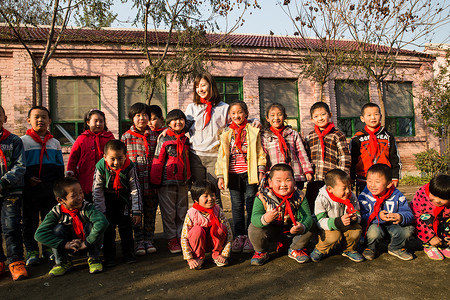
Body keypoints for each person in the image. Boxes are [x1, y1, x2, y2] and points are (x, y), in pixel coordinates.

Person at [216, 101, 266, 253]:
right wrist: (220, 176)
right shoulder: (226, 133)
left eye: (239, 112)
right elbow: (221, 155)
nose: (236, 115)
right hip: (233, 175)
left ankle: (251, 236)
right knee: (236, 206)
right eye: (233, 113)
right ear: (229, 116)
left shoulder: (252, 130)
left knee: (251, 203)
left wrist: (261, 170)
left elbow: (259, 152)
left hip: (249, 174)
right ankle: (239, 236)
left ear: (246, 114)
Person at [34, 177, 109, 276]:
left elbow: (102, 222)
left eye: (80, 192)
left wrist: (87, 242)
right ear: (61, 200)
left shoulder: (86, 207)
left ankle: (94, 258)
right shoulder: (56, 212)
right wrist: (65, 244)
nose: (79, 197)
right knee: (57, 229)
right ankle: (62, 262)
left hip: (88, 244)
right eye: (74, 195)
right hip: (69, 247)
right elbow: (39, 234)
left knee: (92, 225)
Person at [21, 106, 64, 266]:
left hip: (50, 189)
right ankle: (32, 251)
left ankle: (48, 248)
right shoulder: (23, 142)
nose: (41, 120)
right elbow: (19, 165)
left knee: (50, 219)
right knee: (29, 220)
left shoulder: (55, 143)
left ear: (50, 121)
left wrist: (59, 187)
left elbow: (60, 167)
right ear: (29, 121)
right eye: (36, 117)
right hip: (30, 189)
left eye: (44, 117)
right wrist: (28, 178)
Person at [248, 164, 314, 266]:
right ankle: (261, 252)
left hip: (292, 232)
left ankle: (295, 249)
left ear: (294, 181)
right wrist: (265, 219)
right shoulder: (262, 196)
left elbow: (307, 217)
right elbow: (254, 218)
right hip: (272, 232)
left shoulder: (300, 196)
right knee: (254, 228)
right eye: (278, 180)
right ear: (270, 182)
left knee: (312, 224)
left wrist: (301, 226)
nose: (283, 184)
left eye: (288, 180)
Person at [93, 139, 142, 266]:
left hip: (123, 200)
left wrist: (136, 210)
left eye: (120, 158)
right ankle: (109, 256)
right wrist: (100, 211)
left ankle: (128, 253)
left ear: (126, 156)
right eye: (112, 159)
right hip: (106, 200)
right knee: (108, 228)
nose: (116, 162)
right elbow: (97, 189)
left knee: (125, 226)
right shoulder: (100, 167)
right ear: (104, 157)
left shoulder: (129, 166)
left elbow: (135, 188)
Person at [151, 109, 190, 253]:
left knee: (182, 211)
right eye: (174, 120)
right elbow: (158, 160)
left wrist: (189, 179)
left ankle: (181, 236)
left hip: (183, 182)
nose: (178, 122)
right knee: (168, 212)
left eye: (181, 119)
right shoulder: (164, 139)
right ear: (168, 123)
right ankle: (171, 239)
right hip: (166, 182)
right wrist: (155, 182)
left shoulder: (186, 139)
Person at [121, 103, 158, 255]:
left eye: (144, 115)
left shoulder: (155, 136)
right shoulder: (126, 137)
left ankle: (149, 240)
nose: (141, 118)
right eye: (138, 115)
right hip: (134, 184)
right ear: (132, 118)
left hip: (151, 182)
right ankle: (139, 241)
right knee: (135, 213)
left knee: (150, 212)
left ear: (149, 118)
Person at [358, 164, 414, 261]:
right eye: (369, 181)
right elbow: (361, 217)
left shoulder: (397, 195)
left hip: (393, 225)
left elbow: (409, 214)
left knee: (408, 230)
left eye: (377, 182)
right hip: (375, 225)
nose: (372, 185)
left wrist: (400, 216)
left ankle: (396, 247)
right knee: (374, 232)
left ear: (389, 184)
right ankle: (371, 248)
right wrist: (377, 216)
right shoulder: (364, 196)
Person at [310, 169, 364, 263]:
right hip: (327, 228)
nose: (347, 191)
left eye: (349, 187)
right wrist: (338, 222)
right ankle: (320, 249)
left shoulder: (351, 196)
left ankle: (348, 249)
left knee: (356, 230)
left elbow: (357, 211)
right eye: (344, 188)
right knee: (334, 236)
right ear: (330, 189)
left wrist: (355, 218)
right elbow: (320, 221)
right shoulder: (322, 199)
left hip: (345, 224)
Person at [306, 102, 351, 212]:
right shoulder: (310, 136)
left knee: (333, 204)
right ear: (312, 119)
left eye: (323, 114)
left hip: (332, 179)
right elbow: (306, 155)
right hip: (315, 178)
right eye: (316, 116)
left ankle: (334, 224)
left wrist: (342, 177)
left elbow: (344, 157)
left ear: (330, 115)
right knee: (312, 203)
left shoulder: (337, 134)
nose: (320, 118)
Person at [0, 105, 28, 280]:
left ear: (5, 118)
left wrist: (3, 181)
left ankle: (16, 261)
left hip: (10, 192)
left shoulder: (14, 141)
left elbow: (20, 165)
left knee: (11, 227)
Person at [350, 103, 401, 195]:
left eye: (376, 114)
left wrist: (395, 177)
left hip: (384, 178)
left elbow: (394, 158)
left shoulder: (388, 136)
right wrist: (352, 177)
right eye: (369, 115)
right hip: (364, 179)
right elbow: (352, 160)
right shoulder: (357, 138)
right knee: (365, 205)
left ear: (380, 116)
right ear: (362, 118)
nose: (373, 118)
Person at [180, 180, 232, 269]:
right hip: (198, 245)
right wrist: (189, 259)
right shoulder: (191, 213)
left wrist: (224, 254)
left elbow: (229, 234)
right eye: (205, 196)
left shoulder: (218, 210)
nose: (210, 198)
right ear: (196, 199)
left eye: (212, 195)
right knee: (197, 230)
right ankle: (198, 257)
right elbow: (184, 238)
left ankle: (216, 255)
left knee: (221, 227)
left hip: (213, 243)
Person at [261, 103, 313, 192]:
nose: (276, 118)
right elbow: (263, 157)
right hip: (276, 177)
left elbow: (301, 153)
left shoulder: (293, 134)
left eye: (279, 114)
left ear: (285, 117)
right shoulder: (265, 136)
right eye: (272, 115)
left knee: (296, 201)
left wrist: (307, 171)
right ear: (267, 118)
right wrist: (262, 173)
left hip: (294, 175)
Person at [66, 109, 114, 203]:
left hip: (105, 177)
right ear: (88, 122)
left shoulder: (109, 138)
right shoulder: (82, 139)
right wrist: (71, 173)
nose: (98, 123)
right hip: (85, 178)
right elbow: (73, 157)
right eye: (95, 121)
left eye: (101, 121)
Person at [411, 174, 450, 260]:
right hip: (426, 227)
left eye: (442, 198)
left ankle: (445, 244)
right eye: (433, 195)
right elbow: (415, 217)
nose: (437, 200)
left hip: (442, 223)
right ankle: (429, 245)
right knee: (426, 217)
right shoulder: (421, 195)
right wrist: (430, 237)